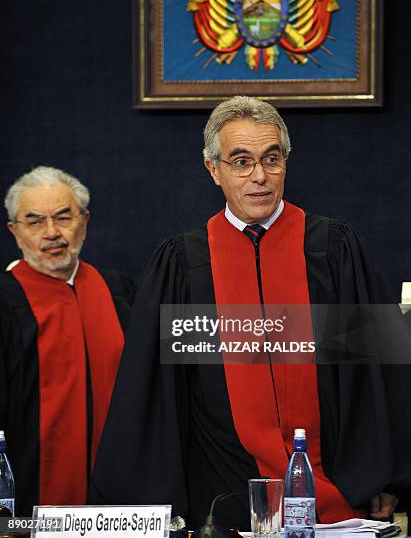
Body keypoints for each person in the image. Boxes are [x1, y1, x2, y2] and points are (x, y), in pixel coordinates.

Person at [90, 97, 409, 529]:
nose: (259, 176)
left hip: (335, 487)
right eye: (241, 161)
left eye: (271, 159)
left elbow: (377, 373)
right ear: (213, 169)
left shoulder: (335, 251)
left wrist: (386, 475)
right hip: (224, 492)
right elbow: (159, 393)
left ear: (286, 162)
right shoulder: (183, 266)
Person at [0, 166, 135, 516]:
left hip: (120, 497)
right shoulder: (5, 301)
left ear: (85, 222)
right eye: (34, 222)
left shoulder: (119, 291)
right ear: (15, 232)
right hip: (28, 495)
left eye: (63, 217)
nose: (51, 233)